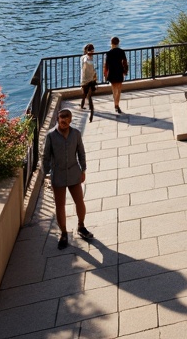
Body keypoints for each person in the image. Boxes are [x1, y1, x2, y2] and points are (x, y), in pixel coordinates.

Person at [41, 108, 93, 249]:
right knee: (60, 206)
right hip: (57, 175)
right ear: (57, 119)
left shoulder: (76, 133)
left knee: (79, 202)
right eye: (61, 118)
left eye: (66, 118)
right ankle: (63, 233)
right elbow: (45, 157)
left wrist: (83, 169)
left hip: (74, 173)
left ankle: (81, 226)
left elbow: (81, 152)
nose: (63, 121)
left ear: (70, 120)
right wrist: (46, 174)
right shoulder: (51, 136)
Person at [103, 36, 128, 114]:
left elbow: (106, 65)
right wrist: (125, 71)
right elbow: (125, 62)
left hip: (112, 72)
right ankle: (117, 104)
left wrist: (105, 74)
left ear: (111, 43)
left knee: (114, 90)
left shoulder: (109, 53)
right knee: (119, 90)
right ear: (118, 43)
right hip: (119, 71)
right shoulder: (121, 52)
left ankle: (115, 104)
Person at [79, 43, 98, 121]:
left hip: (90, 78)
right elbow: (87, 62)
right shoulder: (84, 58)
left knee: (88, 94)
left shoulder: (91, 58)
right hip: (85, 78)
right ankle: (84, 105)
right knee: (85, 93)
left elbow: (94, 67)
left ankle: (85, 105)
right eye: (91, 50)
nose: (92, 52)